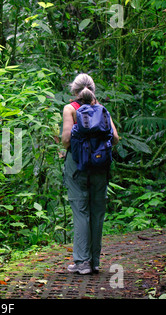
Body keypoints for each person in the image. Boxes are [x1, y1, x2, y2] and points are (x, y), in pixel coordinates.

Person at [61, 73, 119, 274]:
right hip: (100, 165)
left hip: (77, 165)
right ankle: (94, 261)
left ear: (74, 91)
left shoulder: (71, 109)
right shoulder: (102, 110)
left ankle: (82, 262)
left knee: (81, 210)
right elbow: (116, 138)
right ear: (93, 90)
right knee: (97, 212)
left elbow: (66, 140)